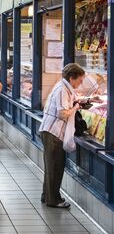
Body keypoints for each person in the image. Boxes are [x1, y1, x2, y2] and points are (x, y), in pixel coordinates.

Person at [38, 63, 100, 208]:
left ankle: (47, 195)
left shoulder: (65, 88)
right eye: (80, 80)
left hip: (52, 132)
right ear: (72, 78)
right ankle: (53, 200)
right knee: (55, 166)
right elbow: (62, 114)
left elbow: (72, 103)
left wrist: (89, 100)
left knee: (52, 166)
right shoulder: (62, 90)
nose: (81, 83)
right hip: (53, 132)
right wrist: (75, 108)